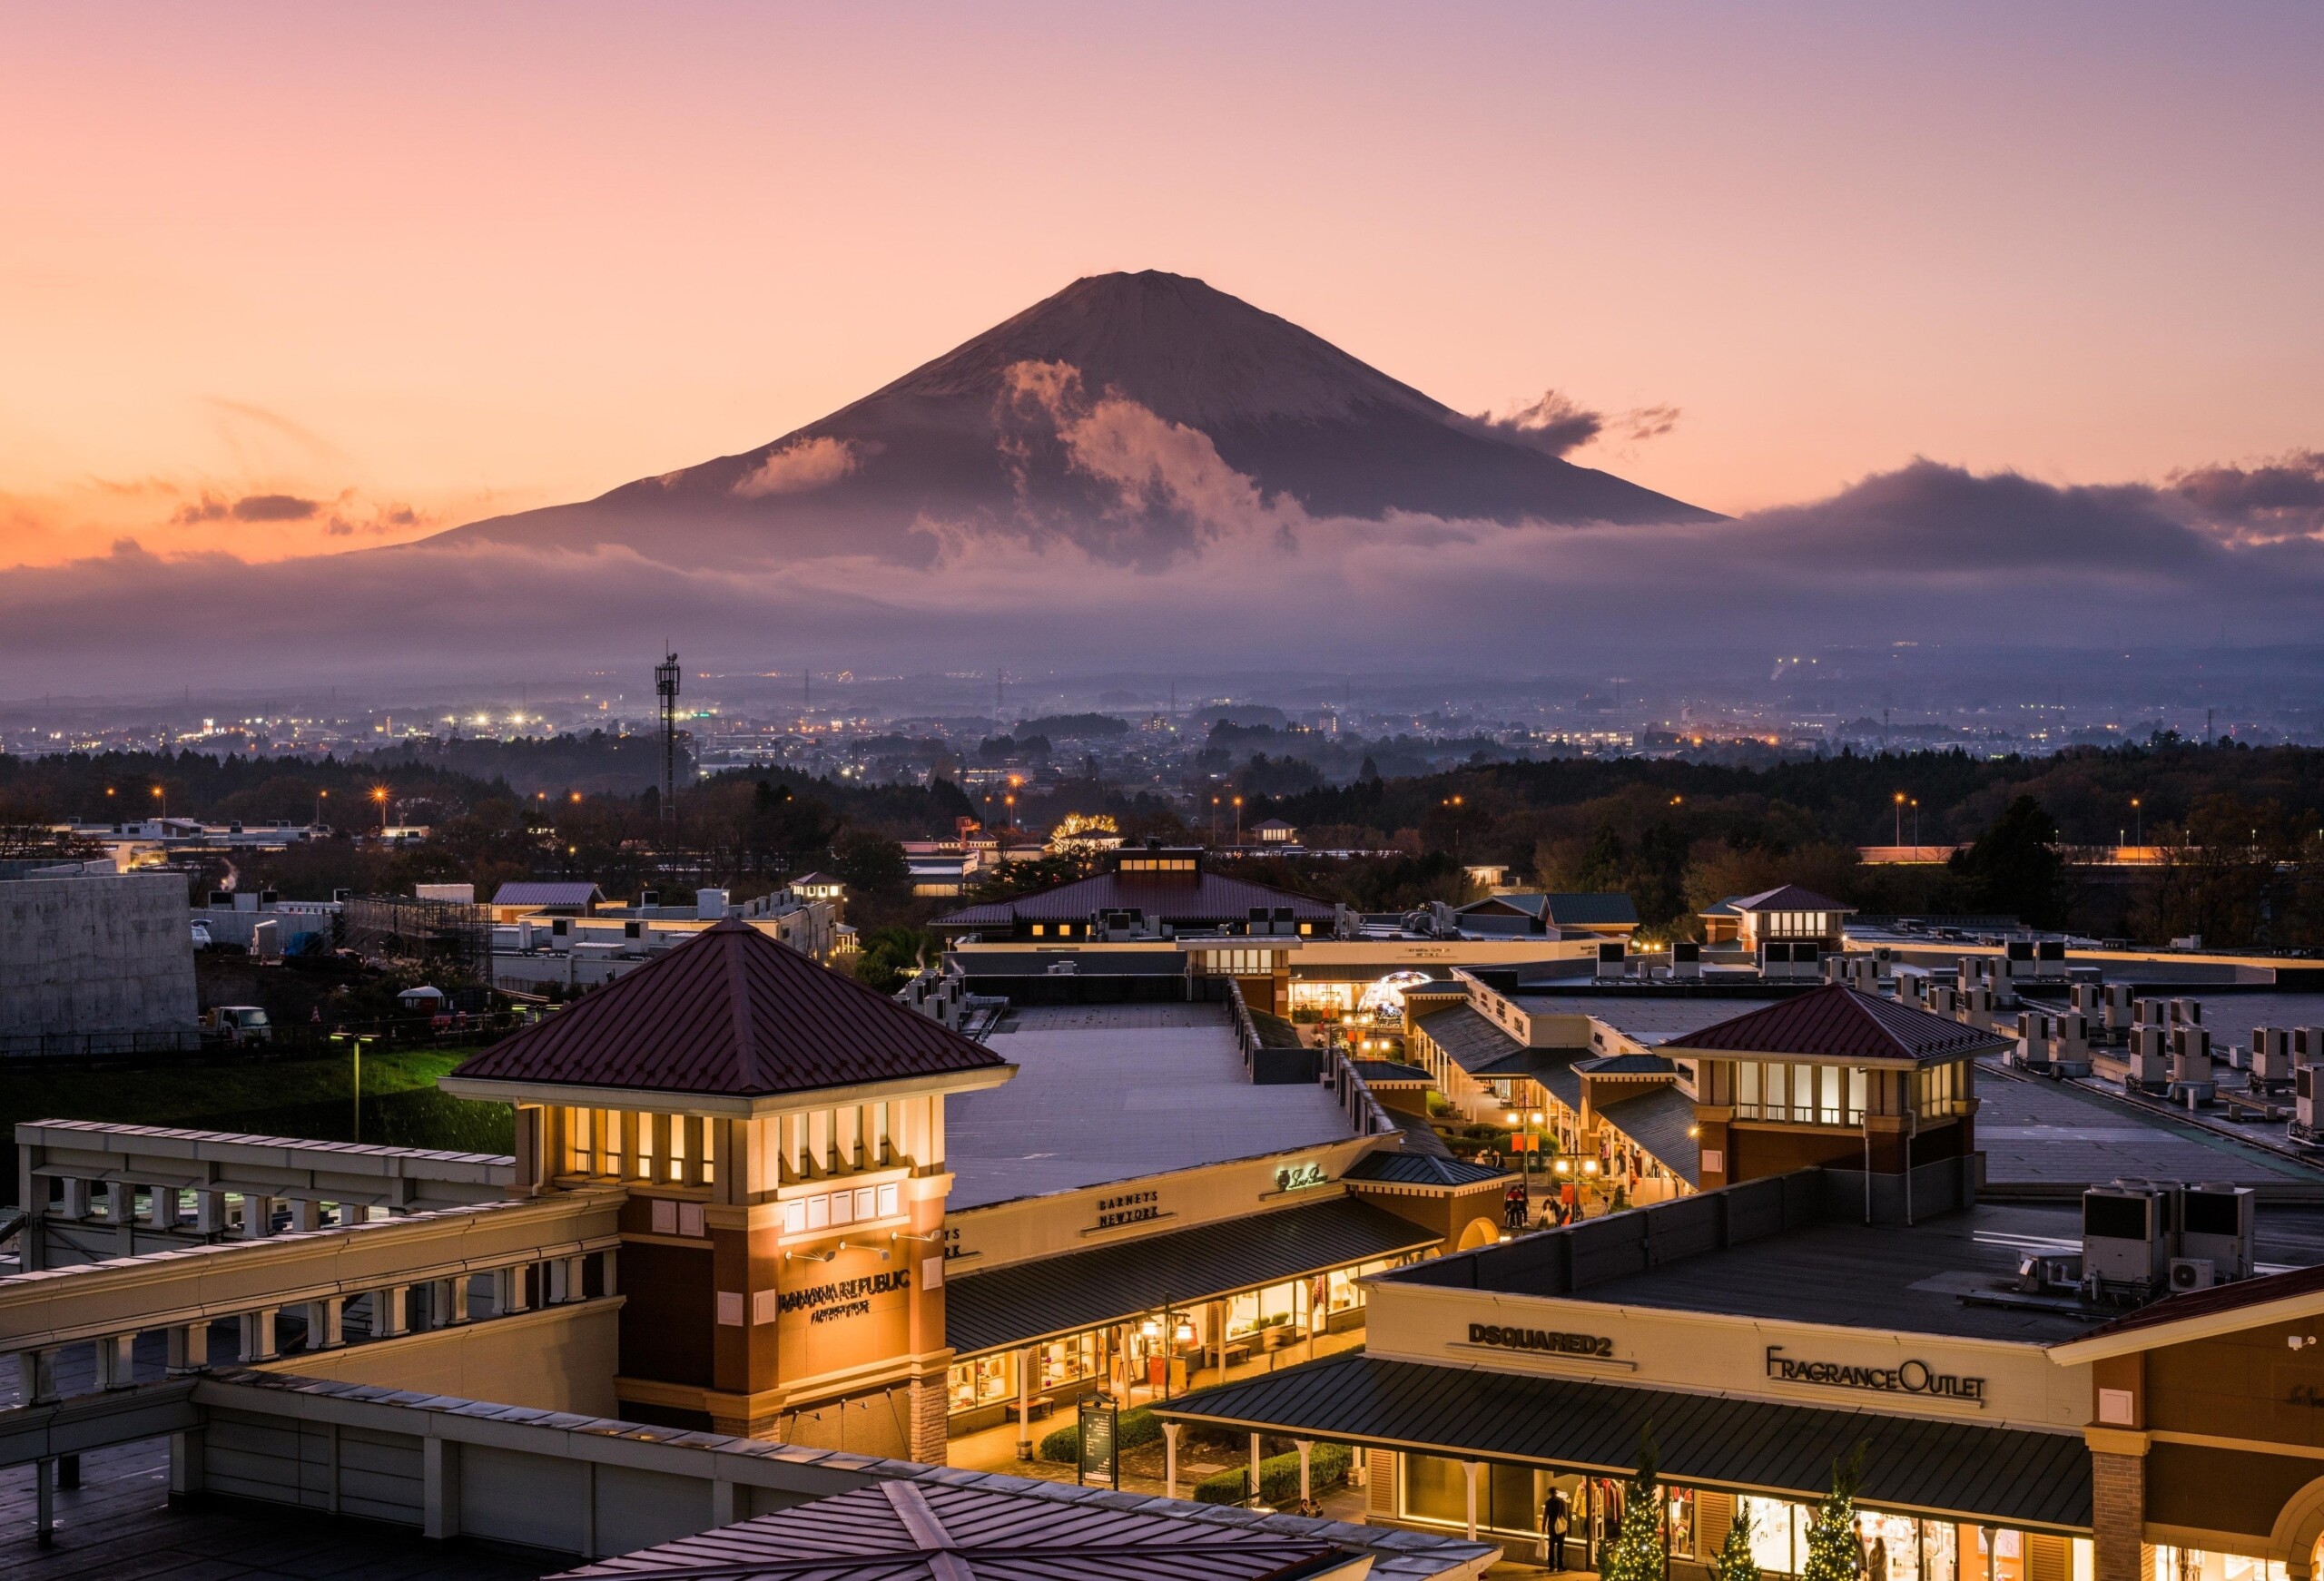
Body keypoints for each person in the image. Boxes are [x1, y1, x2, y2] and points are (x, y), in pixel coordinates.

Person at [1541, 1486, 1570, 1570]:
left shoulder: (1548, 1503)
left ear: (1550, 1493)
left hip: (1551, 1527)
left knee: (1551, 1546)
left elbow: (1545, 1516)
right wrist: (1566, 1526)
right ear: (1556, 1492)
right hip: (1560, 1527)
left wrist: (1543, 1527)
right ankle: (1560, 1565)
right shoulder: (1562, 1502)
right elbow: (1565, 1515)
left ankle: (1551, 1565)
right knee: (1560, 1547)